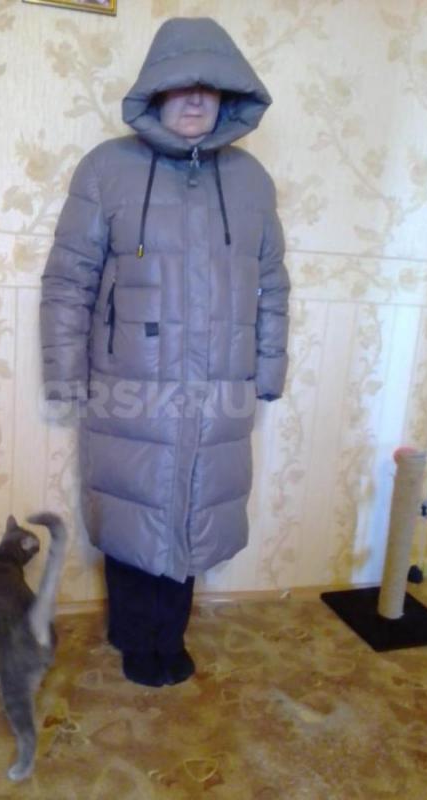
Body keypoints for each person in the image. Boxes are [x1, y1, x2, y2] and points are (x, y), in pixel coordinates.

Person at [39, 17, 290, 687]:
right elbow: (69, 282)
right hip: (129, 383)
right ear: (154, 91)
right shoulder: (107, 169)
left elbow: (271, 283)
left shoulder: (252, 182)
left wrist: (268, 369)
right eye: (180, 86)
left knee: (195, 508)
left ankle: (166, 636)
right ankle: (133, 636)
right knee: (134, 506)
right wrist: (65, 377)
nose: (195, 99)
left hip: (219, 387)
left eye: (209, 86)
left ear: (229, 94)